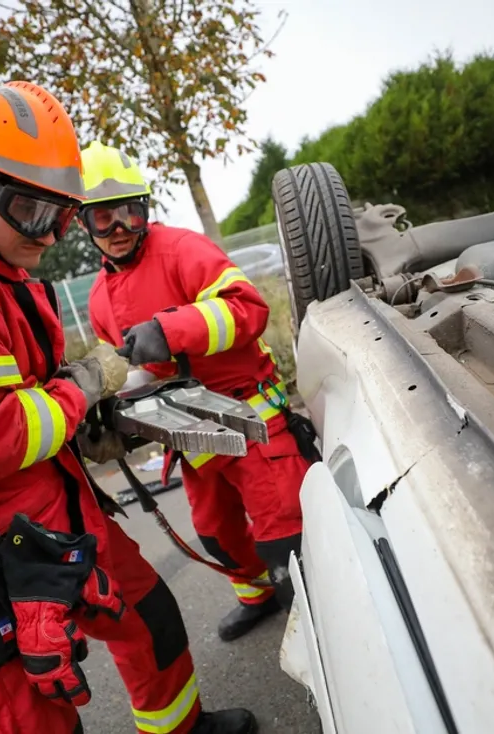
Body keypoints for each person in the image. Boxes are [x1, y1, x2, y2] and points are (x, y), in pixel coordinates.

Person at [0, 81, 256, 734]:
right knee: (38, 721)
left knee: (149, 620)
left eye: (63, 215)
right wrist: (81, 388)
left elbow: (18, 396)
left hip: (48, 522)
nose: (52, 234)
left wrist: (80, 417)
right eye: (34, 211)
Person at [77, 142, 312, 643]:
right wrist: (111, 413)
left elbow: (248, 309)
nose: (119, 228)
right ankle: (259, 596)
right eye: (103, 218)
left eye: (129, 212)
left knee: (285, 532)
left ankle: (319, 623)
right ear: (83, 224)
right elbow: (135, 372)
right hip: (192, 433)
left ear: (145, 209)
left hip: (251, 419)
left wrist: (172, 330)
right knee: (216, 534)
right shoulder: (98, 298)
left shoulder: (183, 249)